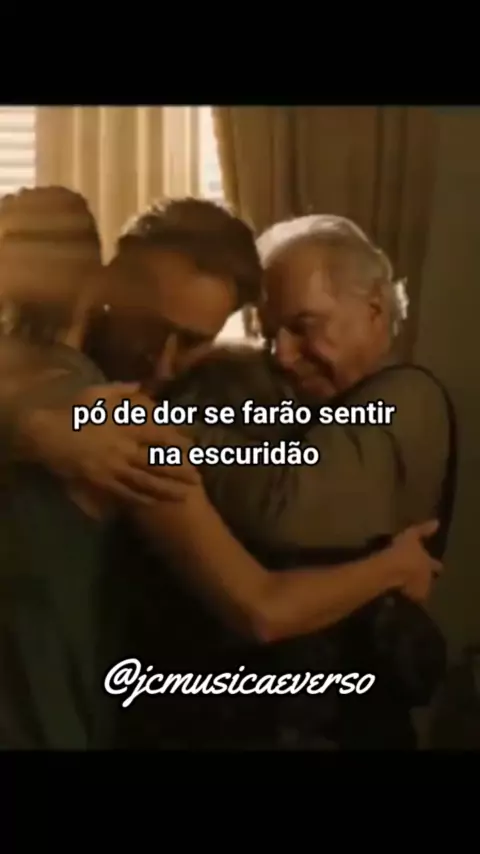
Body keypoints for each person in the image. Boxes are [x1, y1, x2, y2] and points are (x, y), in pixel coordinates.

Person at [1, 197, 445, 748]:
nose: (163, 362)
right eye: (151, 327)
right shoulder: (94, 404)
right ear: (109, 282)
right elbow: (262, 604)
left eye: (193, 340)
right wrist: (394, 567)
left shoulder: (176, 411)